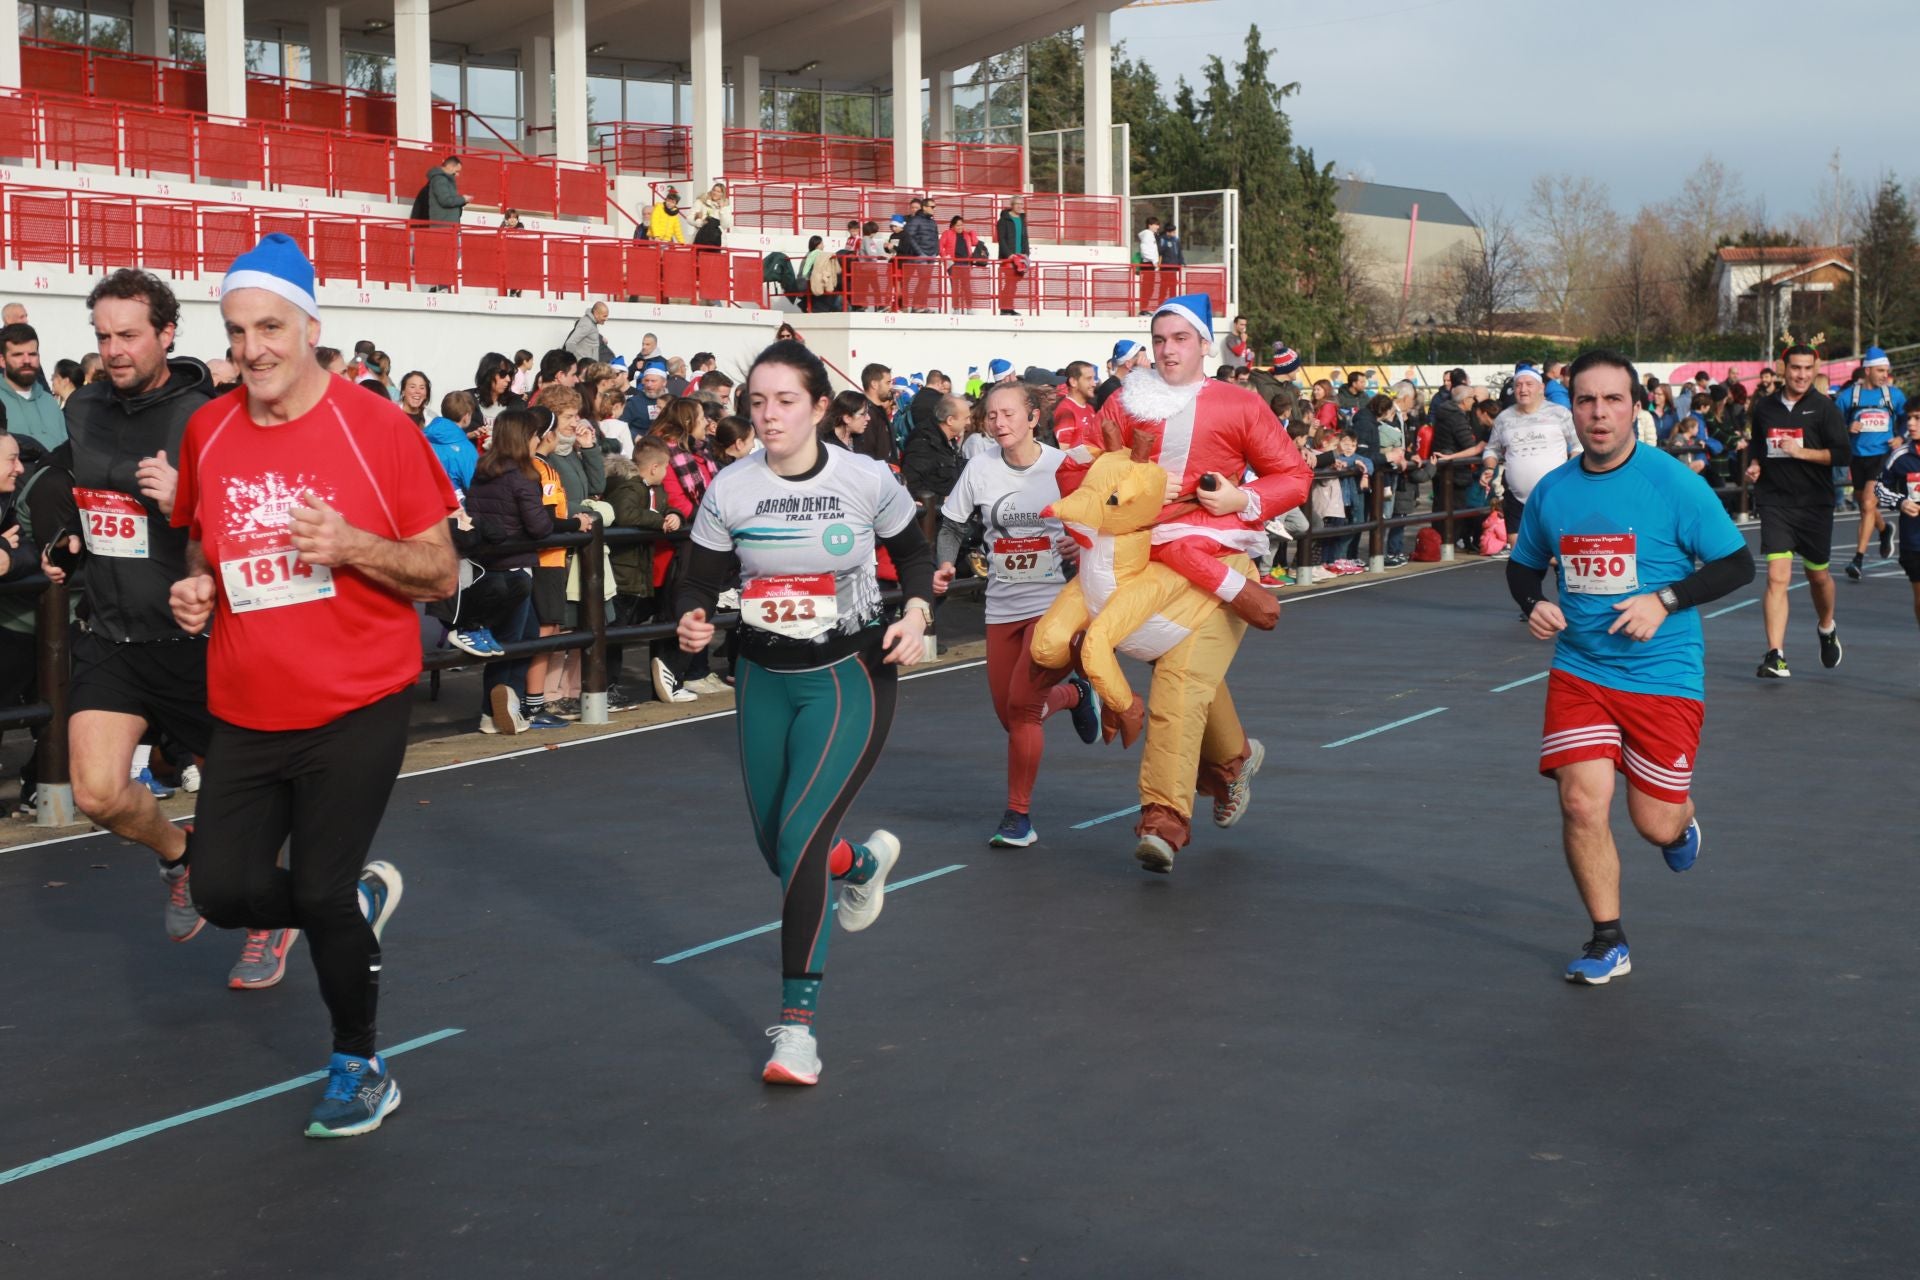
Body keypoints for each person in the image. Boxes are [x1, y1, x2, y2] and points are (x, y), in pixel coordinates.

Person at [168, 234, 459, 1135]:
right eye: (237, 331)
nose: (252, 348)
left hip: (356, 702)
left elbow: (441, 574)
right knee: (218, 892)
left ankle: (360, 1063)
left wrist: (351, 547)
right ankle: (356, 905)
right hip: (247, 708)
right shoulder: (206, 428)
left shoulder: (378, 428)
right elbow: (198, 538)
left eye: (269, 327)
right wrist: (197, 587)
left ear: (309, 327)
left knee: (321, 894)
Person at [673, 338, 933, 1087]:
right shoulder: (731, 488)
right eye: (756, 402)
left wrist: (915, 613)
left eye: (785, 400)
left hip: (849, 674)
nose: (768, 415)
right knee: (781, 847)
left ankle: (796, 1030)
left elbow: (913, 557)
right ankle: (863, 862)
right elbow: (695, 581)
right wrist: (691, 619)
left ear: (821, 407)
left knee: (797, 836)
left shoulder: (866, 477)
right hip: (762, 676)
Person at [33, 268, 282, 978]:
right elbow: (66, 483)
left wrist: (187, 499)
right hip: (112, 634)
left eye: (129, 335)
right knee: (98, 793)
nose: (114, 350)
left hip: (200, 644)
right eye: (103, 336)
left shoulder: (210, 417)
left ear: (167, 334)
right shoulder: (82, 406)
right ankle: (181, 856)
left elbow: (258, 523)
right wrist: (60, 539)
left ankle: (271, 916)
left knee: (255, 807)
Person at [1506, 349, 1754, 985]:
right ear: (1572, 408)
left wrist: (1664, 599)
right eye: (1586, 400)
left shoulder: (1672, 483)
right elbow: (1523, 565)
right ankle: (1606, 939)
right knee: (1583, 805)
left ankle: (1679, 826)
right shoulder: (1554, 490)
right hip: (1581, 670)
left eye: (1613, 400)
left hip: (1662, 675)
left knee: (1652, 821)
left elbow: (1735, 564)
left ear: (1635, 408)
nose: (1599, 413)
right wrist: (1534, 604)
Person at [1068, 291, 1312, 870]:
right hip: (1145, 563)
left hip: (1220, 562)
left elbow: (1295, 476)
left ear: (1206, 343)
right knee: (1192, 675)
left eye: (1181, 338)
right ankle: (1232, 764)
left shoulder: (1239, 403)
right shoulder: (1126, 402)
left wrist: (1242, 497)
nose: (1169, 349)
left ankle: (1164, 819)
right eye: (1159, 340)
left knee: (1179, 686)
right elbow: (1090, 469)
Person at [933, 382, 1100, 845]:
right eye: (991, 415)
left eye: (1008, 414)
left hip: (1057, 604)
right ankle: (1074, 696)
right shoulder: (980, 468)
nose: (998, 422)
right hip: (1002, 603)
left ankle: (1017, 817)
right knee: (1010, 717)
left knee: (1024, 709)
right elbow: (950, 524)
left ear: (1032, 419)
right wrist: (945, 562)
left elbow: (1102, 524)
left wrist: (1080, 540)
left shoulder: (1063, 467)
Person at [1743, 343, 1849, 678]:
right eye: (1795, 368)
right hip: (1775, 502)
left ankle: (1826, 626)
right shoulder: (1764, 408)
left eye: (1807, 368)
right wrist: (1756, 465)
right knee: (1777, 577)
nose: (1801, 375)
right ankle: (1776, 655)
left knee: (1818, 577)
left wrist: (1804, 453)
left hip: (1815, 505)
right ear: (1781, 368)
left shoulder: (1825, 409)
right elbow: (1759, 447)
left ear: (1816, 369)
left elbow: (1842, 455)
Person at [1481, 363, 1580, 533]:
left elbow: (1579, 445)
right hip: (1516, 497)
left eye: (1529, 384)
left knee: (1555, 551)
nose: (1523, 389)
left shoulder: (1559, 413)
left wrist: (1570, 472)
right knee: (1519, 553)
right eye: (1518, 385)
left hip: (1554, 495)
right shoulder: (1504, 418)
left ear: (1541, 387)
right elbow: (1491, 449)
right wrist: (1489, 467)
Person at [1836, 347, 1906, 578]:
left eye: (1886, 371)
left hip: (1882, 456)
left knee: (1867, 503)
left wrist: (1901, 437)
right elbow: (1833, 425)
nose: (1884, 375)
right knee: (1863, 503)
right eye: (1880, 370)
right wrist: (1847, 428)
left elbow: (1909, 419)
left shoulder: (1893, 395)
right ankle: (1885, 530)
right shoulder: (1848, 397)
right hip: (1858, 457)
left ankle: (1858, 559)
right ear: (1867, 370)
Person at [1873, 405, 1920, 654]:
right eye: (1909, 419)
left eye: (1917, 418)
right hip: (1914, 540)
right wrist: (1900, 502)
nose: (1910, 424)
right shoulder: (1901, 455)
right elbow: (1879, 488)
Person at [0, 323, 69, 449]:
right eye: (18, 354)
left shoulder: (50, 403)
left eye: (32, 354)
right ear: (2, 361)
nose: (27, 361)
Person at [901, 393, 967, 501]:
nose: (968, 422)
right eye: (966, 418)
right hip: (935, 514)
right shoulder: (923, 445)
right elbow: (911, 486)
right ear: (950, 420)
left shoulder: (948, 442)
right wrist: (942, 500)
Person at [995, 195, 1031, 316]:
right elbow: (1002, 239)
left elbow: (1025, 238)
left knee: (1014, 283)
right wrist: (1009, 254)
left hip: (1020, 257)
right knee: (1009, 283)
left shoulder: (1022, 219)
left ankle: (1008, 307)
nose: (1020, 206)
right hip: (1008, 258)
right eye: (1018, 204)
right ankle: (1005, 307)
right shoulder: (1003, 220)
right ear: (1012, 205)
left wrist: (1026, 253)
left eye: (1022, 204)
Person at [1053, 361, 1099, 448]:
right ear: (1073, 382)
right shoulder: (1066, 411)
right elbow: (1063, 452)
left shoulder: (1090, 408)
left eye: (1094, 378)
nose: (1094, 384)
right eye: (1089, 379)